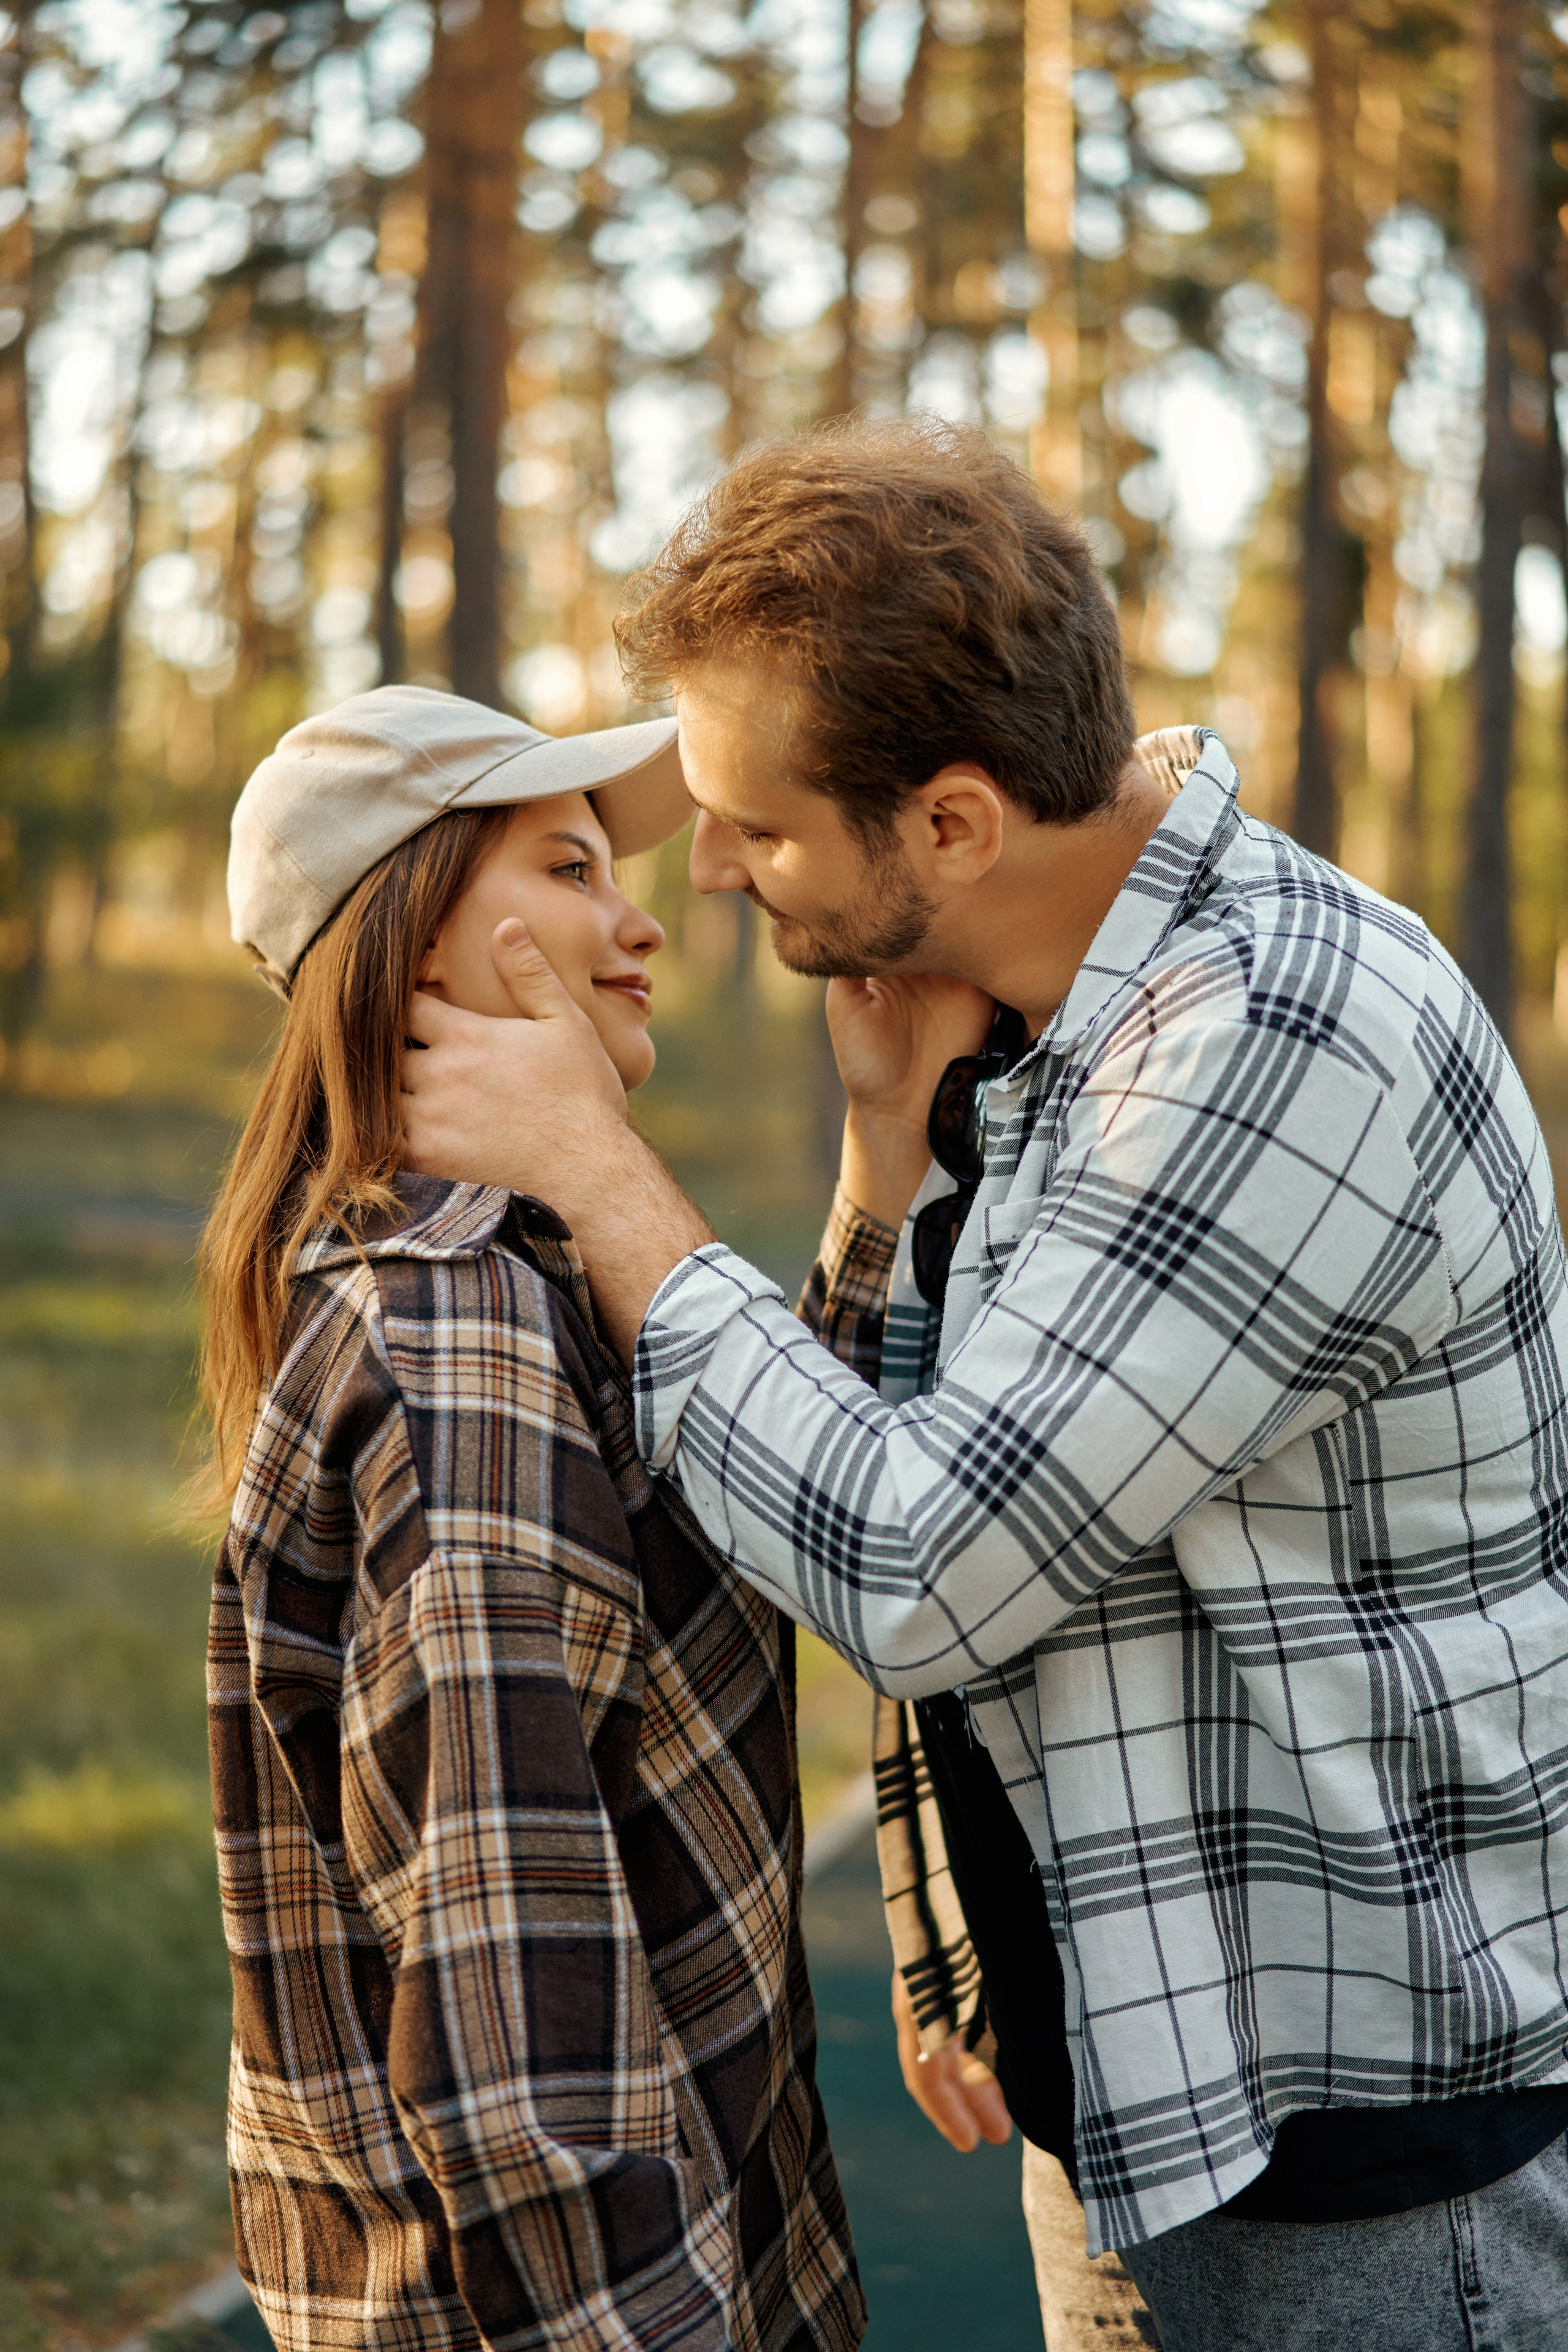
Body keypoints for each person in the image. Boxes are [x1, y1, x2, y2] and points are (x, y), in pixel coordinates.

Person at [399, 418, 1568, 2352]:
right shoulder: (1038, 1014)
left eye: (757, 827)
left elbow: (925, 1562)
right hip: (1134, 2075)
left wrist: (602, 1183)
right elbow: (907, 1467)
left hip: (1349, 2135)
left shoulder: (1272, 1038)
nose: (712, 881)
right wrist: (879, 1167)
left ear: (949, 824)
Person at [200, 687, 865, 2352]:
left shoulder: (520, 1286)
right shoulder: (460, 1342)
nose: (640, 922)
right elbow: (519, 2046)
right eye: (571, 870)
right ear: (422, 938)